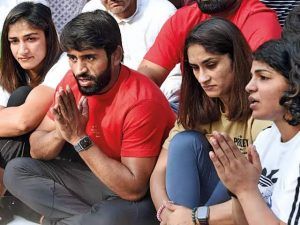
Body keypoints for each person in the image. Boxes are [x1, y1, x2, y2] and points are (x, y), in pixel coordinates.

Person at [4, 9, 175, 225]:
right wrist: (61, 132)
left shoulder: (142, 100)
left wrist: (77, 137)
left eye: (89, 58)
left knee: (107, 218)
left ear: (116, 55)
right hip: (95, 179)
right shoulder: (73, 81)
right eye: (73, 58)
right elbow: (37, 150)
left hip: (143, 194)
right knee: (17, 171)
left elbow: (133, 188)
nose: (79, 69)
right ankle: (83, 220)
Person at [150, 17, 271, 225]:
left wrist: (192, 218)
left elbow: (265, 196)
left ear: (236, 59)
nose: (202, 77)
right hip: (196, 211)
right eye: (195, 68)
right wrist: (169, 214)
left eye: (211, 65)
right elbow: (158, 173)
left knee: (234, 172)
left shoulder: (261, 107)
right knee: (185, 142)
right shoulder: (196, 106)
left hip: (248, 211)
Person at [209, 39, 300, 225]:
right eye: (252, 77)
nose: (249, 86)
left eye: (263, 77)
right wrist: (235, 190)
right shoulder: (266, 137)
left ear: (295, 86)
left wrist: (245, 189)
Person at [138, 0, 281, 88]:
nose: (203, 78)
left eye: (211, 64)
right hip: (192, 111)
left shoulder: (260, 21)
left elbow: (259, 87)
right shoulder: (184, 18)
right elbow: (148, 74)